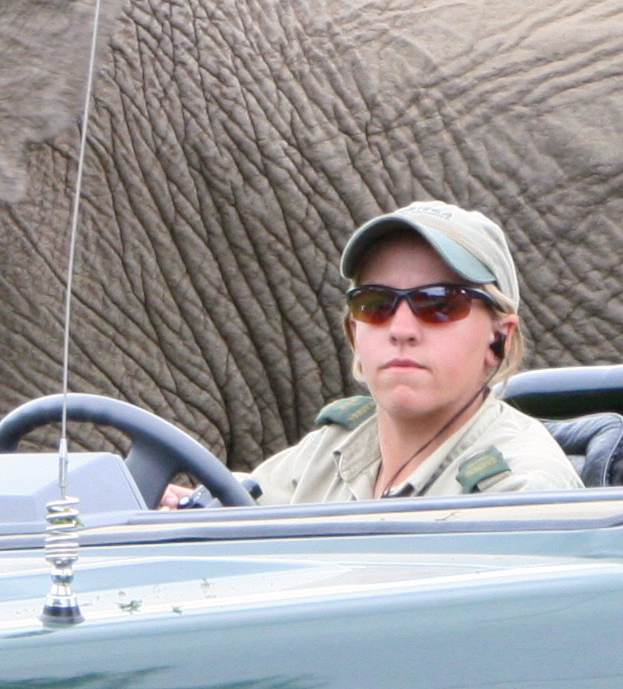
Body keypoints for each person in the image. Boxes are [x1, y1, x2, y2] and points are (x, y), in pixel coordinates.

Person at [248, 200, 582, 504]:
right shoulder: (329, 450)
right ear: (354, 333)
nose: (401, 330)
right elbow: (229, 502)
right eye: (375, 304)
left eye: (440, 303)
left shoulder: (520, 491)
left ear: (500, 339)